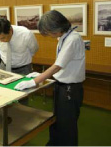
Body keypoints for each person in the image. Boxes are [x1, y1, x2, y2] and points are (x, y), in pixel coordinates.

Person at [15, 10, 85, 146]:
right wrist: (39, 75)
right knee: (56, 120)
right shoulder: (64, 37)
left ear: (57, 28)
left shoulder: (73, 39)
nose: (49, 35)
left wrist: (35, 81)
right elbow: (62, 65)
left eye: (49, 32)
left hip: (70, 89)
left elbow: (57, 66)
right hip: (61, 84)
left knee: (67, 125)